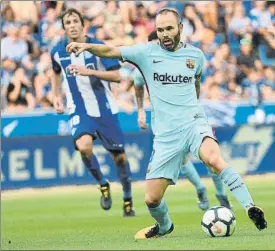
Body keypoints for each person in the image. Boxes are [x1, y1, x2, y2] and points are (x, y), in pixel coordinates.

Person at [66, 8, 267, 239]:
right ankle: (164, 227)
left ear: (180, 28)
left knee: (214, 159)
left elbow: (196, 84)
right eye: (160, 30)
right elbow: (111, 50)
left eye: (169, 28)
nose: (164, 34)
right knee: (151, 199)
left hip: (193, 123)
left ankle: (250, 206)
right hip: (166, 136)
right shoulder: (145, 53)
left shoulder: (195, 56)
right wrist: (86, 46)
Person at [133, 30, 231, 211]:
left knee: (211, 157)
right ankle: (201, 189)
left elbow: (196, 81)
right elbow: (137, 84)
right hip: (165, 121)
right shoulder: (144, 66)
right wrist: (140, 110)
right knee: (183, 159)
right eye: (155, 44)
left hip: (190, 116)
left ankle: (220, 193)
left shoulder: (180, 60)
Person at [51, 8, 135, 217]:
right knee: (84, 145)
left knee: (120, 159)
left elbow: (117, 76)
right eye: (67, 22)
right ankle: (102, 183)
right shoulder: (57, 51)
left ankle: (127, 199)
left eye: (74, 21)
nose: (71, 25)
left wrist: (90, 72)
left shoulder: (97, 46)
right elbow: (55, 72)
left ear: (82, 24)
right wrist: (56, 96)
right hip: (79, 108)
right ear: (64, 27)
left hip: (104, 109)